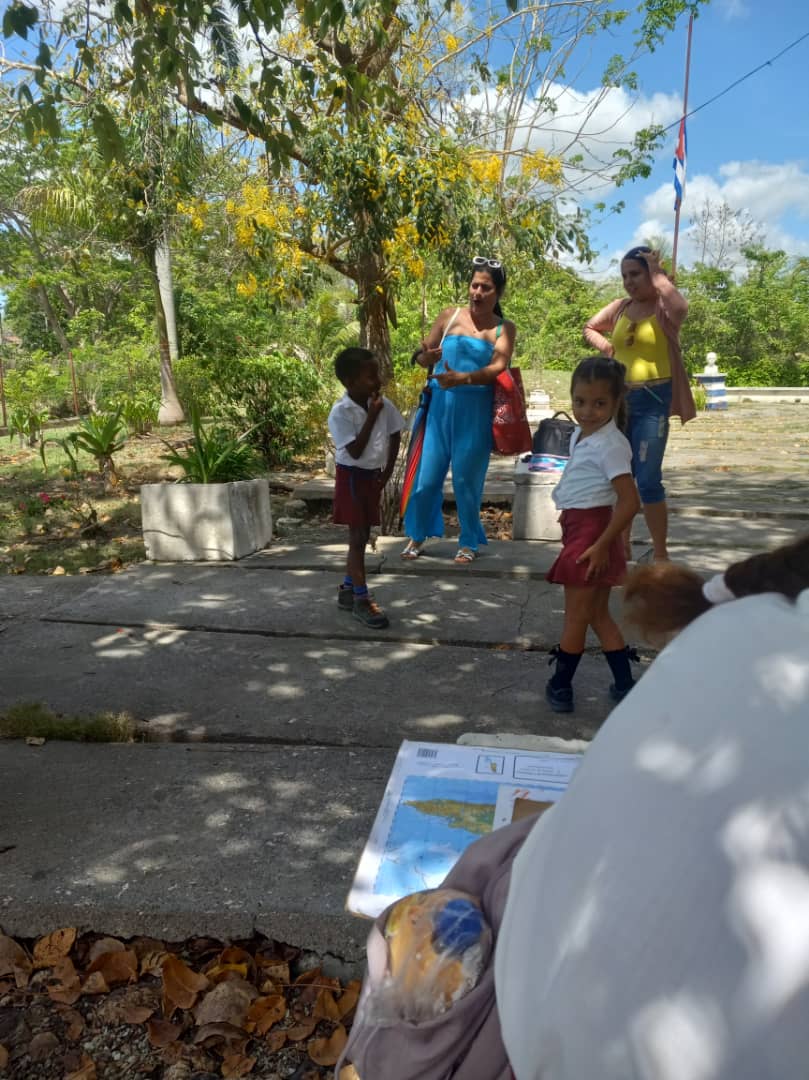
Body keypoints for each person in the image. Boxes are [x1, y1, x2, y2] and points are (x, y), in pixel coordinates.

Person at [340, 533, 809, 1079]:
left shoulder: (731, 628)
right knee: (584, 626)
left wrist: (601, 542)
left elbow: (627, 498)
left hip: (498, 1022)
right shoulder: (743, 633)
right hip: (528, 1027)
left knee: (584, 626)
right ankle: (578, 678)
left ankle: (572, 680)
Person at [401, 256, 516, 565]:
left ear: (498, 293)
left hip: (474, 412)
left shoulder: (504, 328)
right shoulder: (449, 316)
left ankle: (468, 541)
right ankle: (418, 534)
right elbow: (422, 355)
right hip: (439, 409)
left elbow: (498, 366)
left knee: (466, 480)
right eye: (474, 285)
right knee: (427, 480)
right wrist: (426, 358)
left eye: (486, 288)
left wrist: (464, 378)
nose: (477, 292)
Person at [584, 246, 695, 562]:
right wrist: (608, 347)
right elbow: (589, 326)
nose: (629, 281)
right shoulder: (621, 307)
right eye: (624, 276)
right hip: (620, 404)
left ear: (650, 274)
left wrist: (660, 276)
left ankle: (660, 553)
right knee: (620, 475)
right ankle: (622, 546)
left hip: (653, 401)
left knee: (647, 479)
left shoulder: (663, 309)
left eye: (636, 274)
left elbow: (682, 307)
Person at [544, 355, 641, 713]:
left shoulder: (610, 444)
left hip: (592, 535)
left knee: (576, 617)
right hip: (583, 529)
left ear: (617, 403)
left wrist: (603, 545)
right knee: (598, 615)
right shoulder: (584, 435)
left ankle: (561, 685)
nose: (587, 411)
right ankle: (625, 684)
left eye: (600, 403)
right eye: (580, 401)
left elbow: (631, 502)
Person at [327, 347, 403, 629]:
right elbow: (356, 451)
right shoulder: (341, 412)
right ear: (350, 381)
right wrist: (372, 416)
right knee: (357, 538)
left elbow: (395, 433)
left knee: (363, 535)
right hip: (351, 476)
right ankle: (361, 599)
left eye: (377, 373)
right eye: (371, 376)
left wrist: (389, 470)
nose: (378, 380)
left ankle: (348, 590)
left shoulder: (382, 404)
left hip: (371, 475)